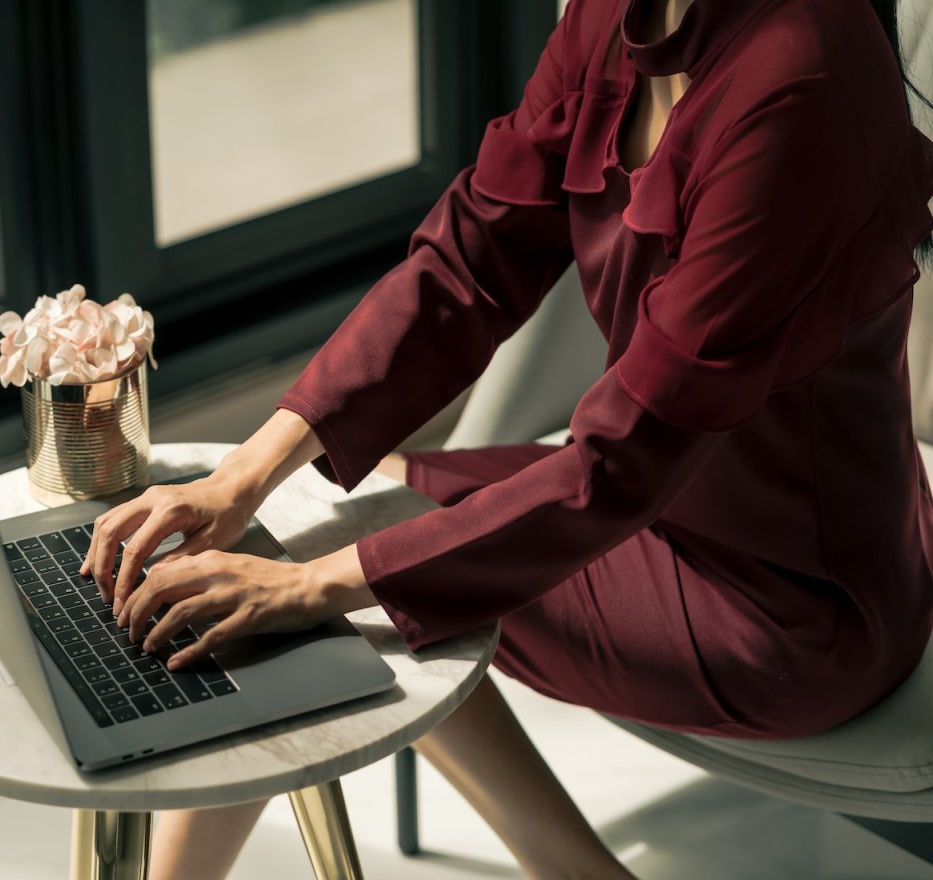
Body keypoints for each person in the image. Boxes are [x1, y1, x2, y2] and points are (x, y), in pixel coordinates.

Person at [79, 0, 933, 876]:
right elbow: (471, 261)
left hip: (784, 601)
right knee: (298, 533)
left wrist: (310, 588)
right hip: (655, 502)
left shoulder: (802, 78)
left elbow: (623, 460)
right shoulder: (616, 14)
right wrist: (242, 476)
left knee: (301, 591)